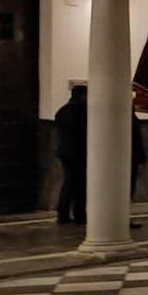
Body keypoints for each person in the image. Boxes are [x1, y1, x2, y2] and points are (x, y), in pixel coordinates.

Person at [54, 85, 87, 225]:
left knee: (68, 182)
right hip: (79, 152)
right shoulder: (82, 111)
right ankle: (79, 214)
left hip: (65, 151)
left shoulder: (62, 111)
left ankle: (63, 212)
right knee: (79, 184)